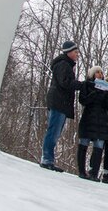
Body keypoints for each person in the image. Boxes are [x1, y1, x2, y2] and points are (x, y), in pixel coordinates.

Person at [40, 40, 82, 172]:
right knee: (53, 131)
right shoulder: (63, 64)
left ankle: (49, 159)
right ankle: (46, 159)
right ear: (69, 52)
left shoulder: (65, 64)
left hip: (61, 103)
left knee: (55, 132)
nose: (77, 55)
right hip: (59, 102)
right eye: (75, 52)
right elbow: (65, 83)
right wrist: (81, 85)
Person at [77, 65, 108, 181]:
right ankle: (82, 171)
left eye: (101, 73)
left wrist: (107, 95)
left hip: (101, 120)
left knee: (99, 146)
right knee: (84, 143)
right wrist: (94, 93)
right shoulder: (86, 85)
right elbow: (83, 100)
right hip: (88, 117)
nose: (100, 75)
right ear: (92, 74)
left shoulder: (106, 89)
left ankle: (94, 173)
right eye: (97, 72)